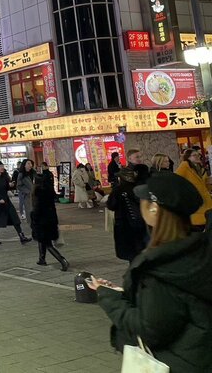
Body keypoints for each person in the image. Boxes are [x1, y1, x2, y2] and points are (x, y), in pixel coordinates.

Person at [86, 174, 211, 372]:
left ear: (154, 209)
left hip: (177, 363)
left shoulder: (161, 267)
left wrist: (107, 296)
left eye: (143, 200)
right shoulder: (197, 250)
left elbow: (149, 330)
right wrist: (127, 293)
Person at [106, 149, 149, 262]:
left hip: (140, 219)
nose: (139, 159)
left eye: (140, 156)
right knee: (137, 252)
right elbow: (113, 203)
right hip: (131, 220)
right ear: (129, 158)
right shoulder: (125, 175)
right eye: (136, 157)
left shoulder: (144, 173)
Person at [0, 161, 32, 245]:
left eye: (2, 166)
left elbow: (6, 187)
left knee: (14, 216)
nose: (2, 167)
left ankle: (22, 236)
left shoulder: (4, 175)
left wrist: (10, 185)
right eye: (0, 166)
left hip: (5, 200)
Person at [31, 174, 69, 270]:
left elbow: (37, 209)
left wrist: (33, 218)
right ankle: (41, 259)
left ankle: (62, 260)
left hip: (41, 221)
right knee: (42, 240)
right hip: (51, 219)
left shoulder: (38, 192)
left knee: (47, 243)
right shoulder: (49, 191)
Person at [174, 148, 212, 231]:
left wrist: (209, 182)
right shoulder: (184, 166)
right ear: (188, 157)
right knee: (200, 225)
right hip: (196, 202)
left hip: (205, 200)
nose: (198, 156)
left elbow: (204, 185)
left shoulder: (200, 168)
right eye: (194, 155)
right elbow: (175, 181)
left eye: (198, 155)